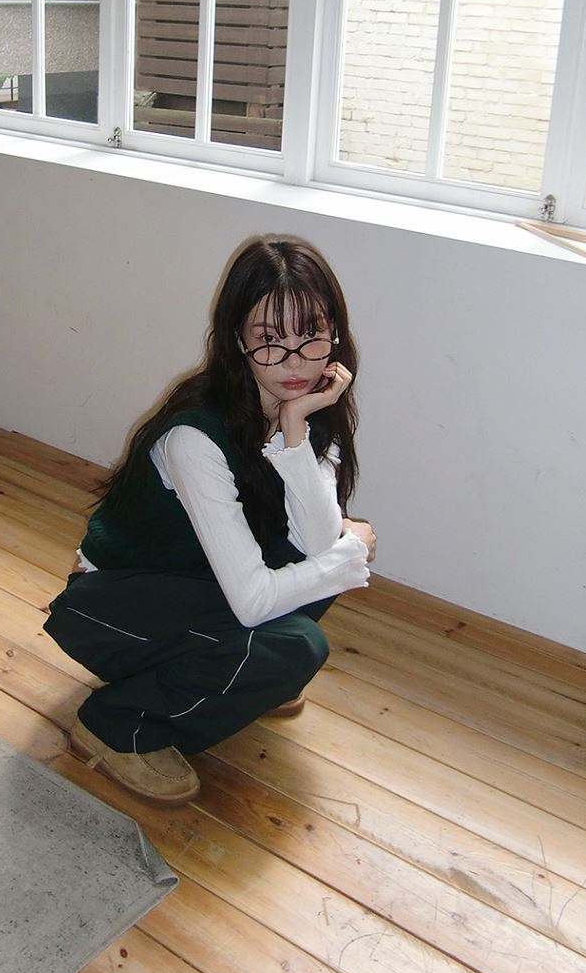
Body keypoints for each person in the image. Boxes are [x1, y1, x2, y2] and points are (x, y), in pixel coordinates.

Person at [44, 235, 376, 804]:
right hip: (116, 606)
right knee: (299, 643)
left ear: (335, 334)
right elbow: (266, 594)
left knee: (314, 562)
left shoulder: (308, 403)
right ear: (237, 339)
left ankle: (235, 673)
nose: (295, 361)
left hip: (194, 581)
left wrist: (296, 428)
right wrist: (349, 555)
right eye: (269, 340)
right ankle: (116, 725)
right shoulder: (194, 436)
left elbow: (317, 540)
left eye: (311, 335)